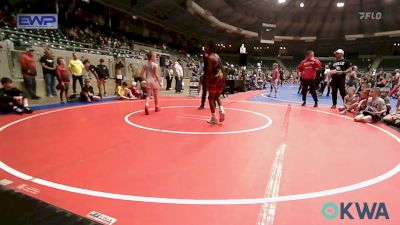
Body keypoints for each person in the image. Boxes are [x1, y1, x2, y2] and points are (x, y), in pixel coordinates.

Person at [204, 42, 226, 124]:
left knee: (210, 98)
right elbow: (221, 68)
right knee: (217, 96)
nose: (205, 47)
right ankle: (221, 109)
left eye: (206, 46)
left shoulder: (210, 58)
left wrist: (207, 81)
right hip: (221, 77)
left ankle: (214, 117)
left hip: (215, 78)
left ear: (210, 47)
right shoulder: (217, 55)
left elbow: (210, 71)